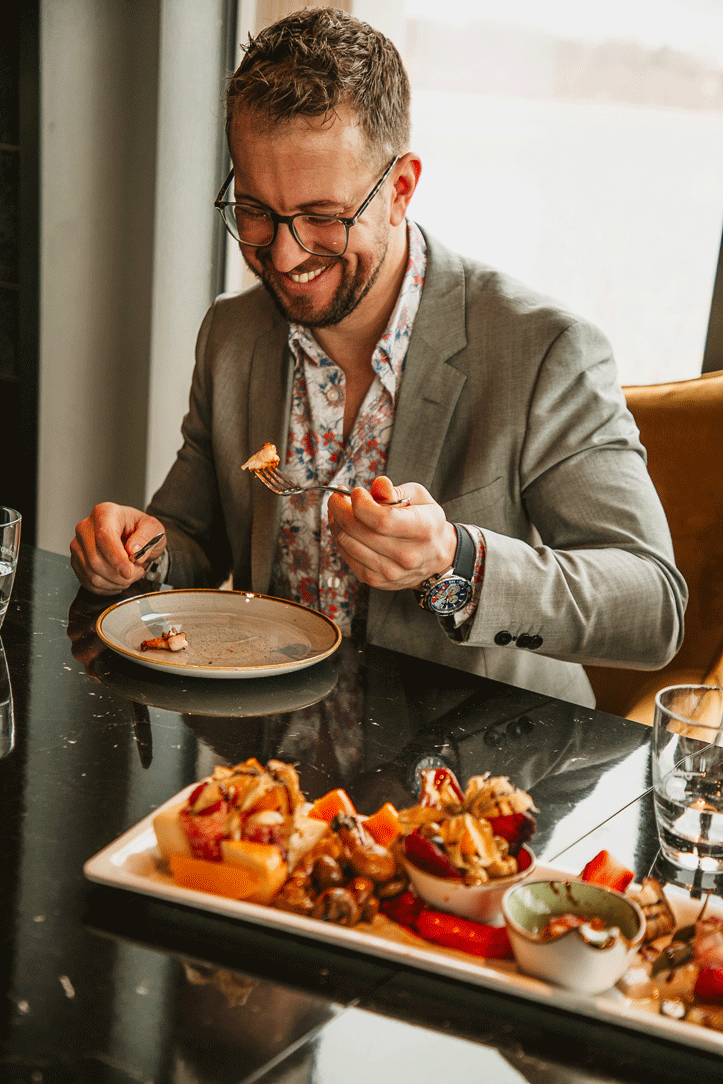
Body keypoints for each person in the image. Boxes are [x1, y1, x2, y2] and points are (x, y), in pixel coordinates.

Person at [70, 7, 687, 707]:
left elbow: (653, 608)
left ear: (400, 189)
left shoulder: (543, 351)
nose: (284, 255)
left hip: (477, 756)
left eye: (322, 217)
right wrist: (136, 553)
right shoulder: (231, 333)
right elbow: (192, 539)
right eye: (255, 211)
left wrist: (453, 563)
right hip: (269, 745)